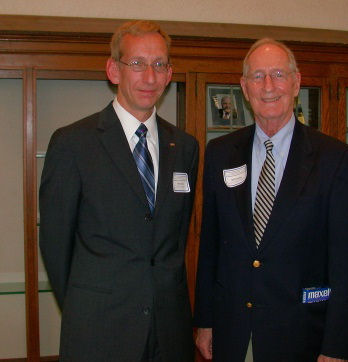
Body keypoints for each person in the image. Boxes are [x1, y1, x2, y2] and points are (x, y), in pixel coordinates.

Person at [39, 20, 198, 362]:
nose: (150, 76)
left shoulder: (185, 147)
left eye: (159, 65)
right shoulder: (72, 144)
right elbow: (55, 244)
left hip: (170, 333)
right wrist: (89, 306)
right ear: (114, 70)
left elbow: (176, 239)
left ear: (170, 74)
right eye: (137, 64)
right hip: (99, 331)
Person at [194, 38, 348, 362]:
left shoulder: (334, 159)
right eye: (257, 76)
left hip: (301, 337)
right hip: (233, 333)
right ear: (244, 87)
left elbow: (347, 264)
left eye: (278, 74)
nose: (268, 86)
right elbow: (210, 246)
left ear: (296, 82)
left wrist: (336, 346)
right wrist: (204, 320)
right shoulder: (220, 154)